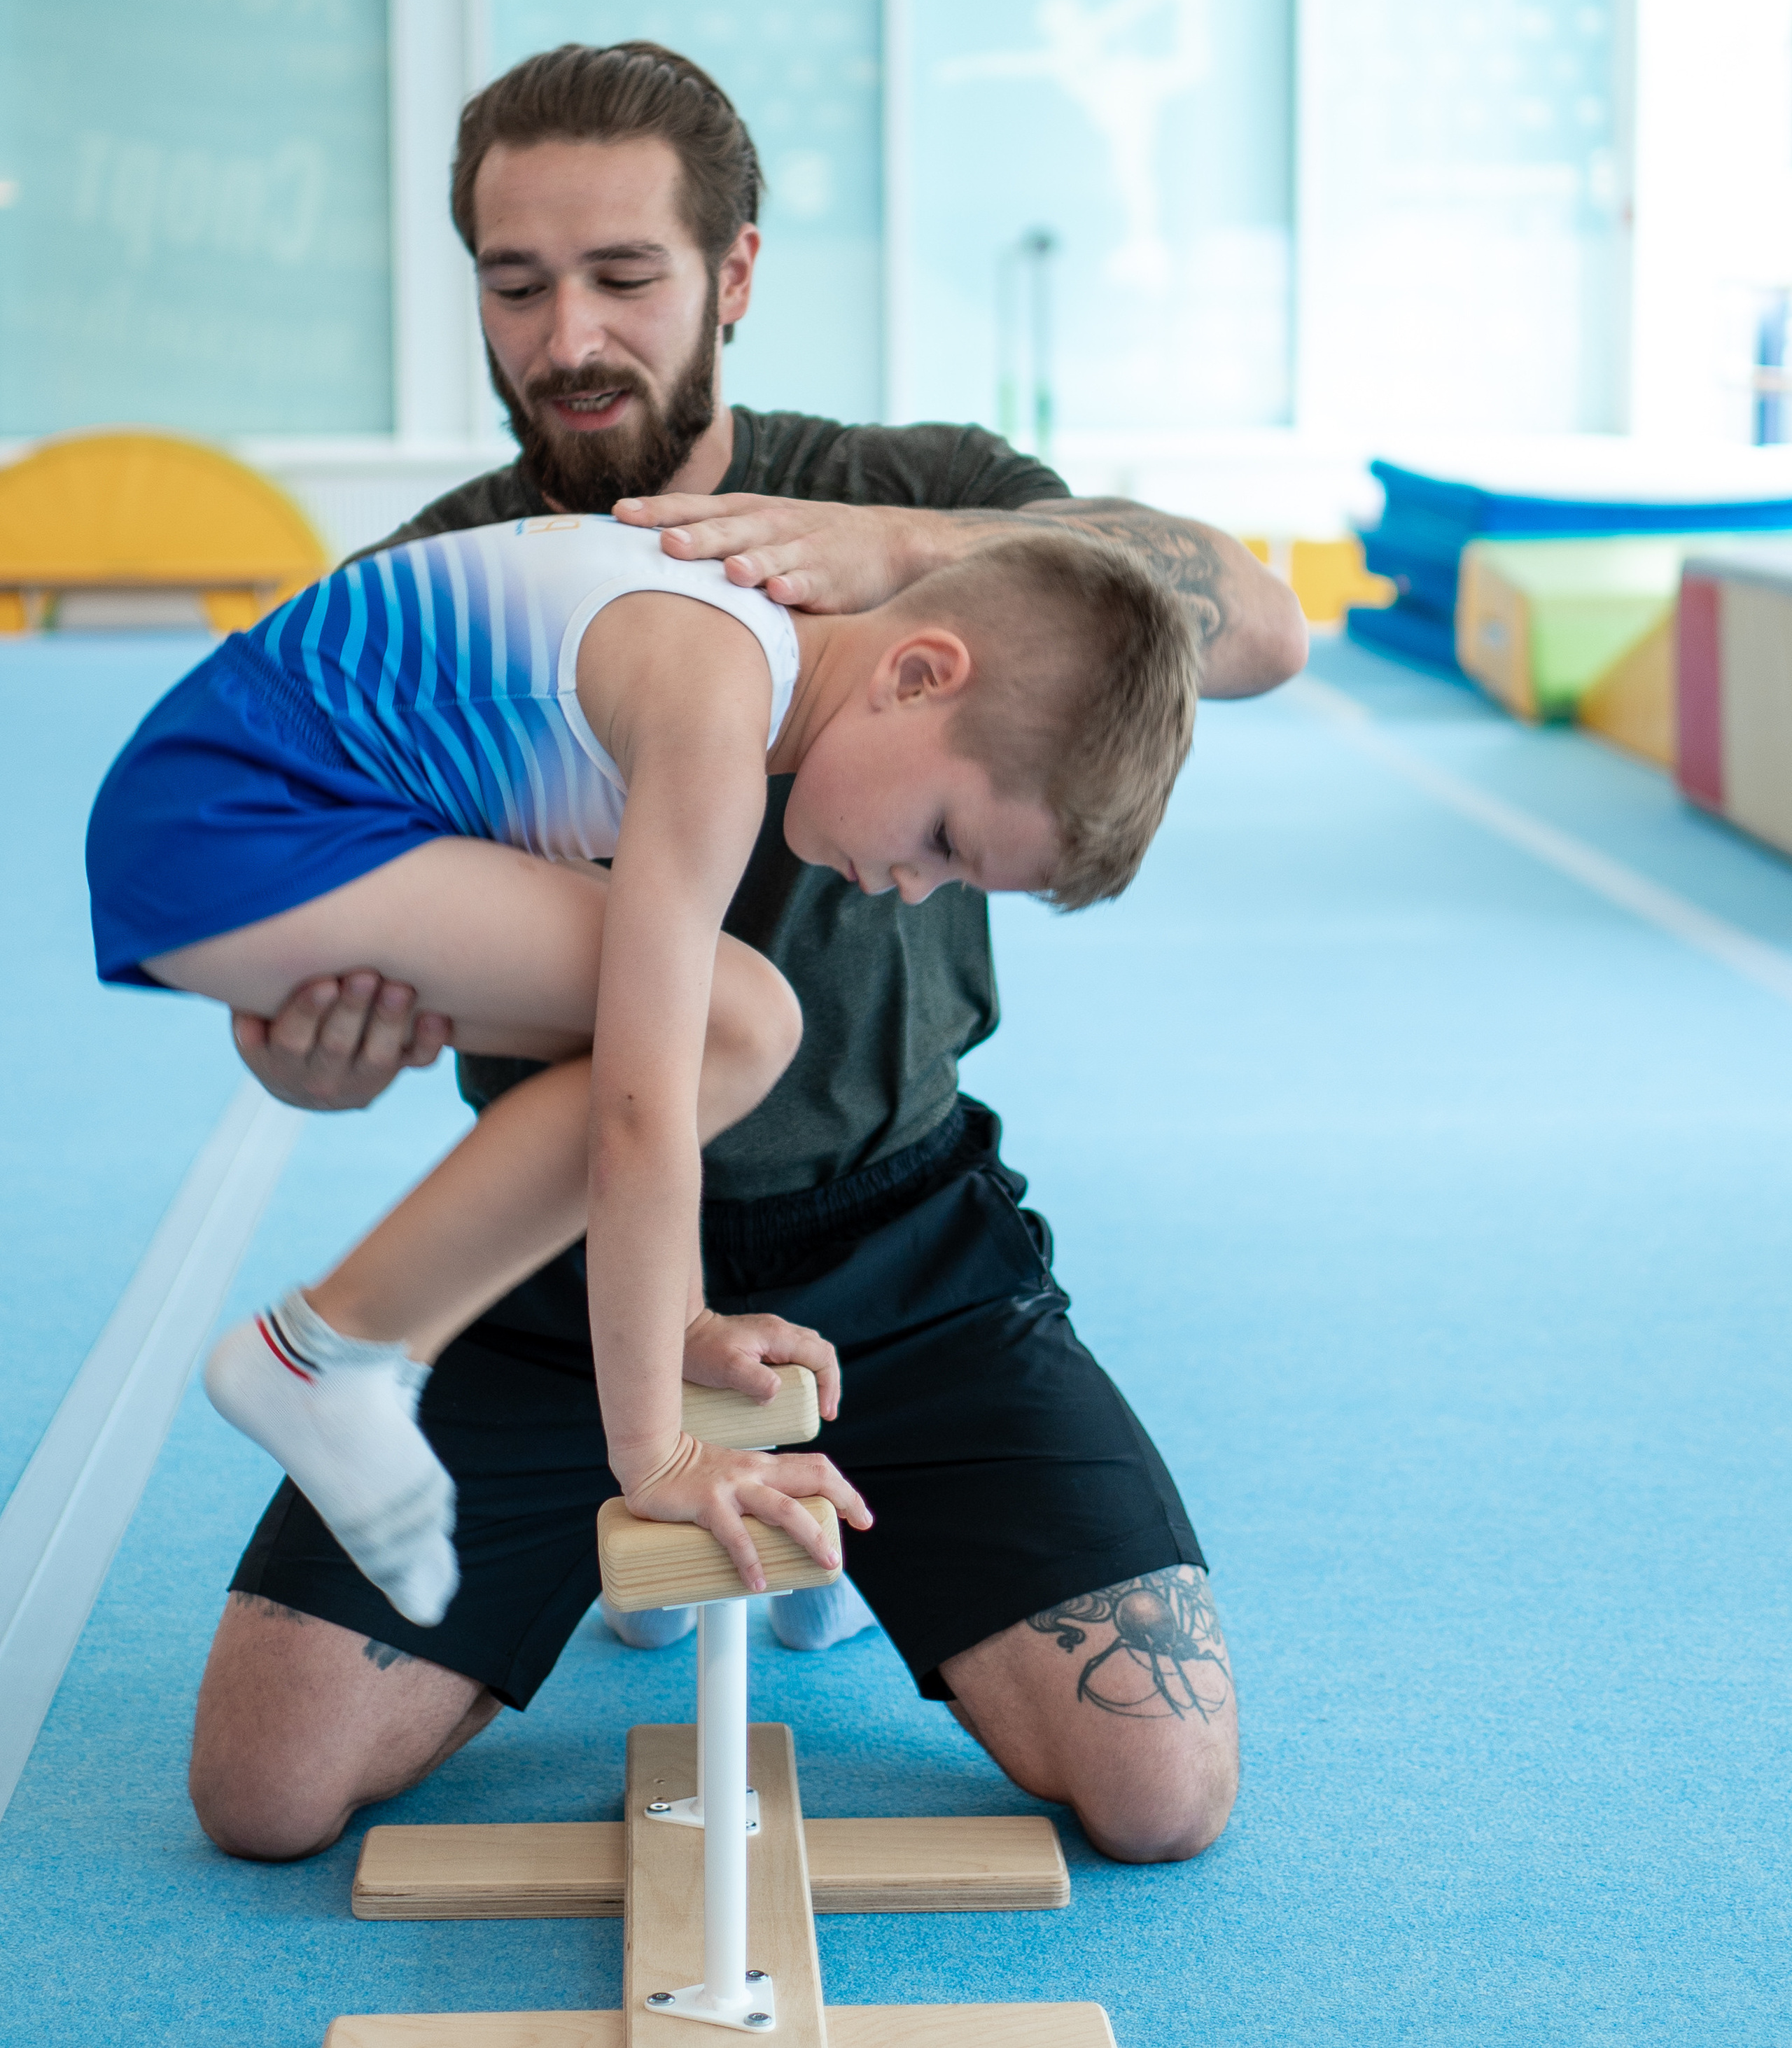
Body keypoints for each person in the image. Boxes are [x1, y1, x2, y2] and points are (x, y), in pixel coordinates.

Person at [189, 41, 1307, 1870]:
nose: (569, 338)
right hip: (558, 1274)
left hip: (910, 1241)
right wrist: (306, 1050)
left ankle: (828, 1538)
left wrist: (911, 549)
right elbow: (299, 990)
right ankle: (634, 1529)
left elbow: (1256, 626)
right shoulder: (441, 584)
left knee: (1160, 1789)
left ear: (735, 274)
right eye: (516, 281)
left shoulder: (915, 494)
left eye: (624, 275)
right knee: (266, 1789)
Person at [88, 508, 1194, 1627]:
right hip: (230, 816)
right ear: (917, 675)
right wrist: (655, 1456)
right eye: (946, 843)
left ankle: (346, 1346)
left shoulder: (734, 654)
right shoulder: (713, 716)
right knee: (730, 1026)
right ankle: (328, 1350)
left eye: (953, 883)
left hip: (248, 801)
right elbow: (638, 1118)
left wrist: (682, 1324)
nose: (914, 887)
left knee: (741, 1021)